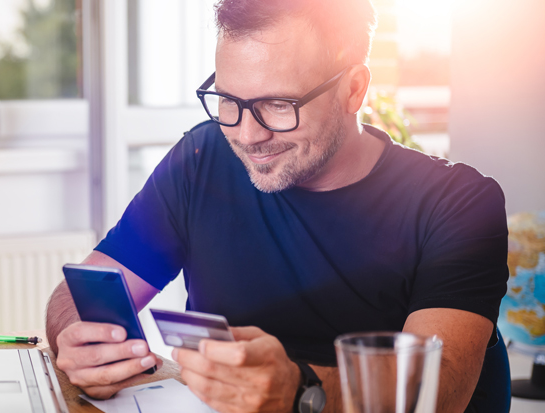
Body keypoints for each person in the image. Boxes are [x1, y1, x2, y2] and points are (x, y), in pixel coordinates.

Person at [45, 0, 509, 412]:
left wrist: (302, 393)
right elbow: (79, 292)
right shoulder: (201, 159)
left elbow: (442, 391)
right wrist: (77, 337)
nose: (248, 135)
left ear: (354, 89)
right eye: (229, 101)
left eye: (280, 105)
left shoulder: (459, 204)